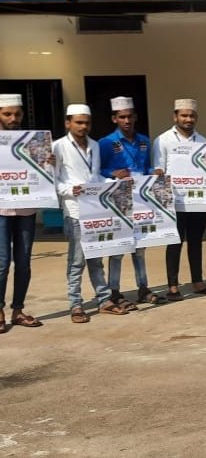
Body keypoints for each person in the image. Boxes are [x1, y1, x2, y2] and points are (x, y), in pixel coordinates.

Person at [54, 104, 128, 323]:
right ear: (68, 123)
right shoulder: (58, 147)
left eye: (86, 122)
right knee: (77, 260)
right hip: (75, 210)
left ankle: (104, 300)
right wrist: (71, 190)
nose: (83, 126)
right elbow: (53, 180)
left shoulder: (94, 145)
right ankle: (75, 304)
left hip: (95, 208)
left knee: (96, 258)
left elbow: (95, 177)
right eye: (78, 122)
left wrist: (114, 182)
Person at [152, 98, 206, 300]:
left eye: (191, 116)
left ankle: (197, 281)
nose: (188, 119)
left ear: (196, 117)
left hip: (196, 200)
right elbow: (158, 167)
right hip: (174, 201)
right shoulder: (163, 140)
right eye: (184, 115)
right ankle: (173, 285)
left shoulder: (202, 140)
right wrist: (158, 172)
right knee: (174, 243)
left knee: (196, 242)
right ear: (175, 117)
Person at [98, 96, 165, 308]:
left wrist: (154, 172)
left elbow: (144, 168)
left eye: (129, 116)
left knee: (140, 247)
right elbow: (97, 170)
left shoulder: (144, 141)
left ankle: (143, 288)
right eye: (122, 117)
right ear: (114, 119)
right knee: (118, 248)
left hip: (141, 199)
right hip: (117, 200)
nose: (126, 121)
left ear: (135, 117)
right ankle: (114, 292)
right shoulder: (106, 143)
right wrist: (112, 173)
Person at [0, 94, 46, 331]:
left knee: (24, 262)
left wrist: (48, 162)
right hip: (1, 210)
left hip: (26, 208)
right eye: (7, 114)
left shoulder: (33, 142)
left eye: (17, 114)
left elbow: (41, 173)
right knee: (2, 262)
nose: (13, 118)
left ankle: (18, 310)